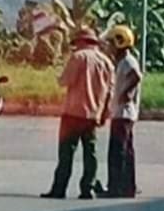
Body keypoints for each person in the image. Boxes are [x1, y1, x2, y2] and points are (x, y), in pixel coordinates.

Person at [41, 26, 114, 200]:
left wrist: (57, 77)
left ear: (81, 42)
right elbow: (110, 91)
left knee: (66, 154)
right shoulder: (106, 62)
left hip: (73, 113)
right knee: (91, 154)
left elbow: (65, 81)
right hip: (93, 114)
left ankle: (59, 189)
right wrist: (104, 113)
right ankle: (87, 188)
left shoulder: (78, 57)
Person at [102, 24, 143, 198]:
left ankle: (116, 187)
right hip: (122, 113)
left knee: (117, 152)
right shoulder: (122, 62)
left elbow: (136, 76)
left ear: (120, 42)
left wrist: (126, 93)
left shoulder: (128, 61)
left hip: (123, 113)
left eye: (111, 42)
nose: (109, 47)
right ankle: (127, 187)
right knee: (125, 152)